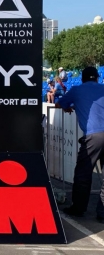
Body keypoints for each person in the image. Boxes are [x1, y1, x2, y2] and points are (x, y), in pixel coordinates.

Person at [55, 66, 104, 220]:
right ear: (97, 78)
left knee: (83, 173)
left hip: (93, 136)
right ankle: (102, 213)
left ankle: (78, 208)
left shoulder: (77, 90)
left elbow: (58, 104)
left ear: (82, 79)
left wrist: (70, 107)